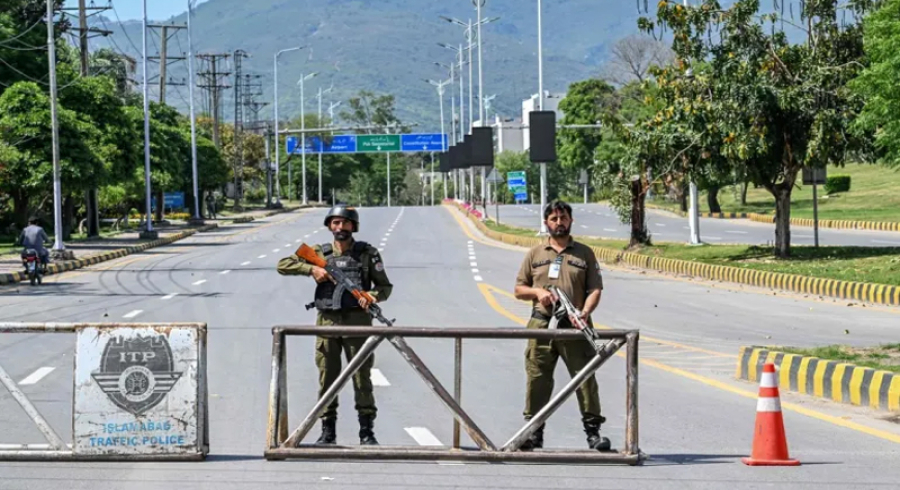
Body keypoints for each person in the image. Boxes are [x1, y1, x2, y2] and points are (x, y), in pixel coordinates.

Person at [276, 205, 393, 446]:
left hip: (358, 322)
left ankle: (366, 431)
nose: (340, 228)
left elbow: (385, 287)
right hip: (327, 321)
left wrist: (371, 296)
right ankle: (327, 431)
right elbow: (283, 264)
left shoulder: (367, 254)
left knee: (361, 377)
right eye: (335, 223)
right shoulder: (319, 252)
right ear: (329, 226)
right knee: (327, 376)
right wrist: (312, 269)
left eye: (345, 223)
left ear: (354, 226)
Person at [513, 200, 609, 451]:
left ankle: (593, 434)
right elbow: (518, 289)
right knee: (537, 378)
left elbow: (595, 289)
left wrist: (585, 312)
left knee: (585, 377)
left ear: (571, 220)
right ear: (546, 222)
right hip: (542, 323)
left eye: (563, 218)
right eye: (554, 219)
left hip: (575, 325)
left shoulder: (584, 253)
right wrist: (537, 293)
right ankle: (533, 432)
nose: (559, 222)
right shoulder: (535, 254)